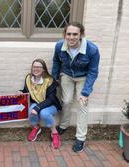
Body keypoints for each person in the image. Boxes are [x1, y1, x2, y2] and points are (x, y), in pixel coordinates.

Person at [52, 22, 100, 152]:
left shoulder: (92, 49)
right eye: (68, 34)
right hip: (67, 75)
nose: (71, 37)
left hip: (83, 77)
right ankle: (63, 125)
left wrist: (85, 92)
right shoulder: (59, 46)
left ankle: (80, 138)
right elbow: (56, 61)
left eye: (75, 34)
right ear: (65, 35)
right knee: (66, 101)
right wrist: (54, 78)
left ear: (81, 35)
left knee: (82, 104)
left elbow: (93, 71)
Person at [19, 59, 62, 149]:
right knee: (31, 110)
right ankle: (36, 127)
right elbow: (26, 91)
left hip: (51, 105)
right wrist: (21, 92)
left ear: (43, 69)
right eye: (34, 67)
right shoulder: (28, 78)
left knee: (44, 113)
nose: (36, 69)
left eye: (39, 67)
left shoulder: (49, 80)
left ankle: (54, 133)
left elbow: (51, 99)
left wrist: (37, 108)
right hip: (37, 103)